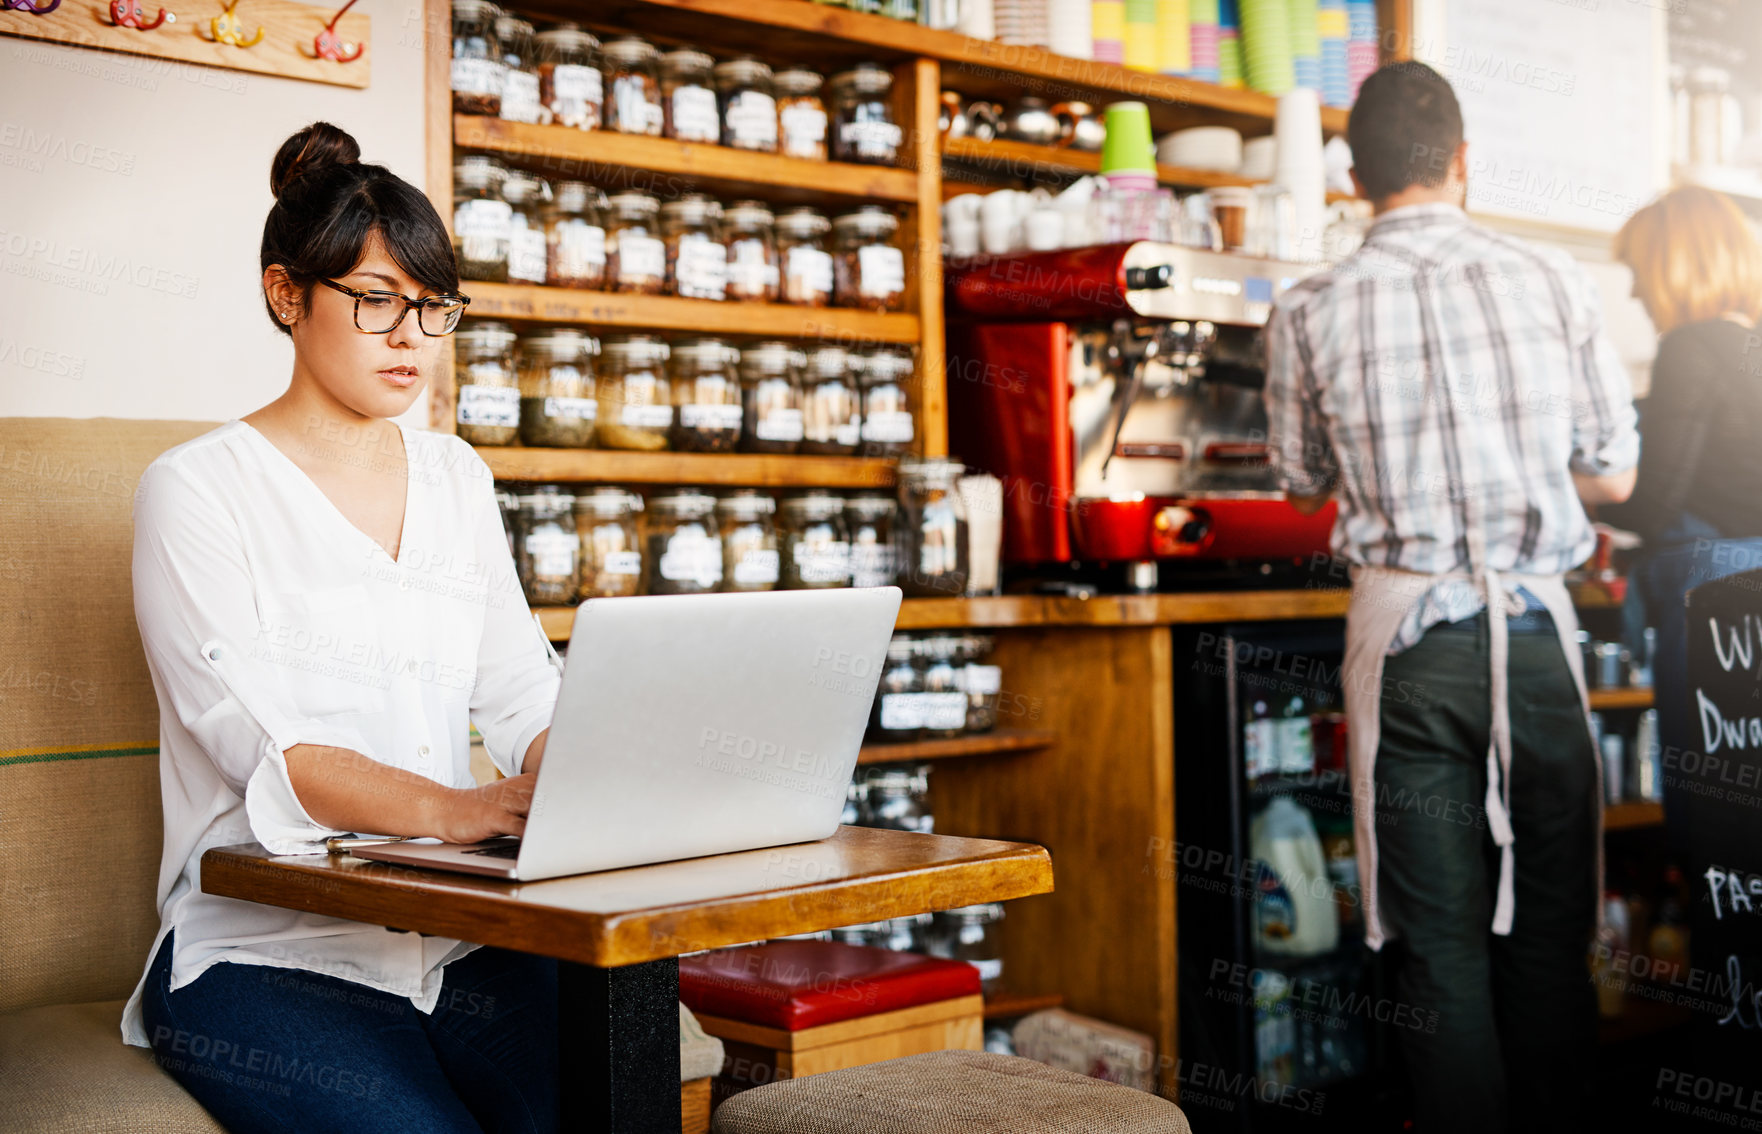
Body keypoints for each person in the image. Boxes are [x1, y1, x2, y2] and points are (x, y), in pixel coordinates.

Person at [122, 121, 562, 1134]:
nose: (410, 335)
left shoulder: (455, 474)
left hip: (457, 938)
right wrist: (462, 811)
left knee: (612, 1087)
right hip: (270, 953)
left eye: (430, 307)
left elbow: (519, 686)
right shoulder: (196, 491)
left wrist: (586, 771)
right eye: (375, 301)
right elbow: (266, 745)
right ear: (287, 294)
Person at [1262, 62, 1638, 1134]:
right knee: (1550, 934)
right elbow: (1612, 472)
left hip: (1406, 650)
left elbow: (1298, 488)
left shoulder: (1307, 306)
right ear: (1463, 163)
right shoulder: (1555, 279)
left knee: (1436, 950)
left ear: (1352, 175)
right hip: (1529, 635)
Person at [1603, 187, 1762, 815]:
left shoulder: (1691, 348)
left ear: (1674, 264)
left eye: (1640, 270)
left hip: (1719, 607)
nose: (1637, 292)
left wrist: (1578, 489)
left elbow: (1651, 505)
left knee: (1713, 819)